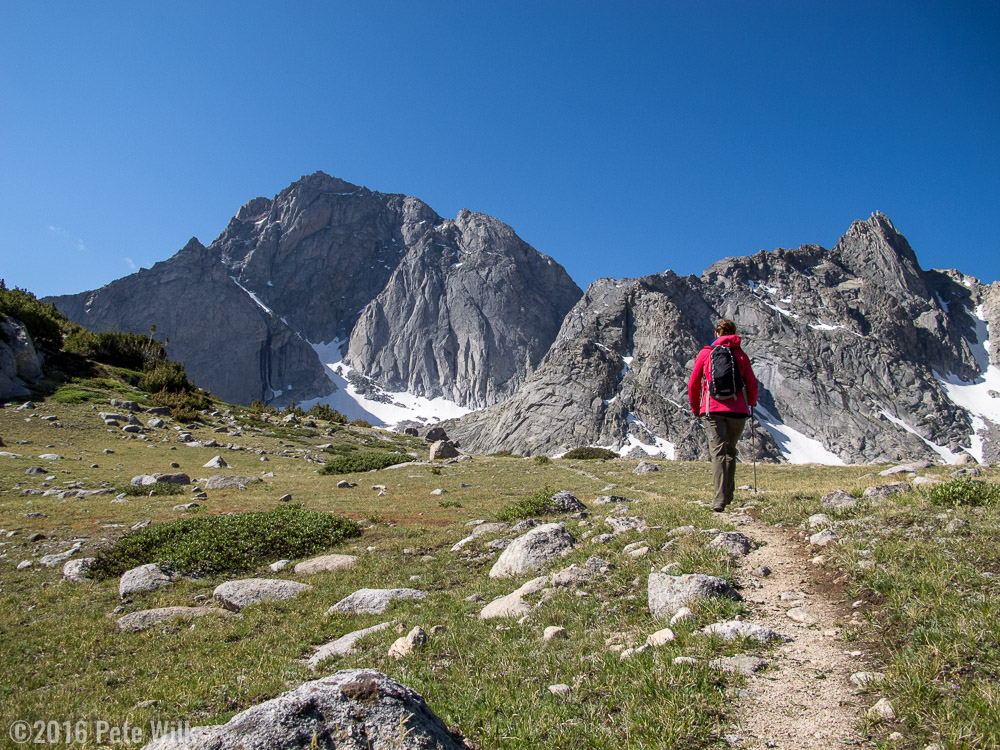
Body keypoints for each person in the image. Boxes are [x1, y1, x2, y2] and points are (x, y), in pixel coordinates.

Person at [688, 319, 759, 512]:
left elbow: (693, 383)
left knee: (717, 453)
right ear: (734, 333)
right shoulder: (740, 355)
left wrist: (696, 408)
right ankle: (728, 496)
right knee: (730, 451)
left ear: (716, 334)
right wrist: (750, 403)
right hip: (738, 411)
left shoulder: (706, 353)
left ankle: (719, 499)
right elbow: (752, 383)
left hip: (712, 410)